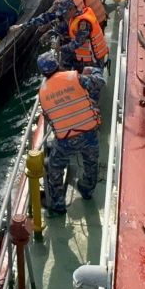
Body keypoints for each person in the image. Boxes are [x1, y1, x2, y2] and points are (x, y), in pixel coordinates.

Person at [36, 52, 105, 215]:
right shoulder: (74, 77)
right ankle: (87, 191)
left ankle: (58, 204)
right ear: (57, 64)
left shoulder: (43, 93)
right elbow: (99, 83)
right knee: (91, 162)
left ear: (43, 73)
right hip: (89, 132)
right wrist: (93, 69)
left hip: (65, 139)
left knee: (54, 167)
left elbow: (50, 117)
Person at [11, 0, 76, 39]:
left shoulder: (61, 2)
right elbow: (60, 16)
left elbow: (44, 18)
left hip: (74, 35)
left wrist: (20, 26)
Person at [62, 5, 109, 71]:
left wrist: (61, 49)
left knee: (93, 80)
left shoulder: (83, 22)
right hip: (89, 58)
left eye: (65, 13)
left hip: (93, 61)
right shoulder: (78, 15)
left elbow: (78, 42)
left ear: (72, 9)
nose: (64, 16)